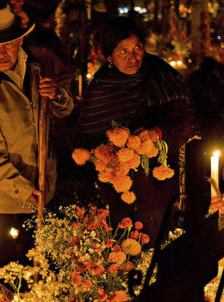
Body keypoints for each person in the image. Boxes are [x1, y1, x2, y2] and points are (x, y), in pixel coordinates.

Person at [0, 2, 73, 270]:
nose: (2, 52)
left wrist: (57, 95)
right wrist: (24, 190)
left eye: (8, 43)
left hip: (41, 187)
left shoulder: (36, 66)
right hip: (1, 200)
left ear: (20, 39)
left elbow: (64, 111)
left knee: (41, 274)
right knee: (6, 274)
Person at [77, 16, 195, 247]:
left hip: (160, 190)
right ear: (109, 56)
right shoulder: (101, 87)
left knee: (161, 252)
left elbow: (187, 122)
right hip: (117, 194)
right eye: (123, 51)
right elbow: (87, 137)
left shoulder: (160, 74)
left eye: (137, 48)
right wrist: (107, 155)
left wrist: (155, 134)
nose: (133, 58)